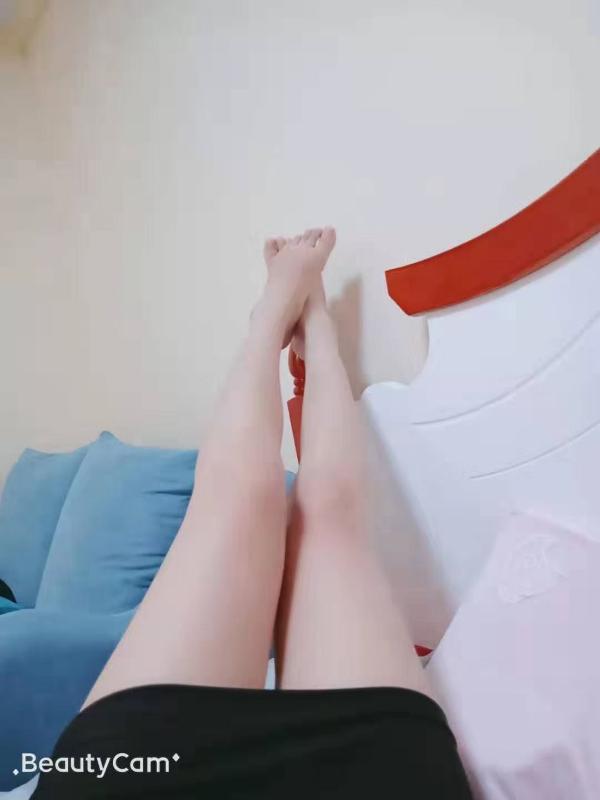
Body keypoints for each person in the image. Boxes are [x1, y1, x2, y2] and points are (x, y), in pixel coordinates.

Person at [34, 228, 472, 798]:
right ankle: (312, 326)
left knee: (238, 497)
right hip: (371, 766)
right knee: (322, 513)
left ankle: (272, 321)